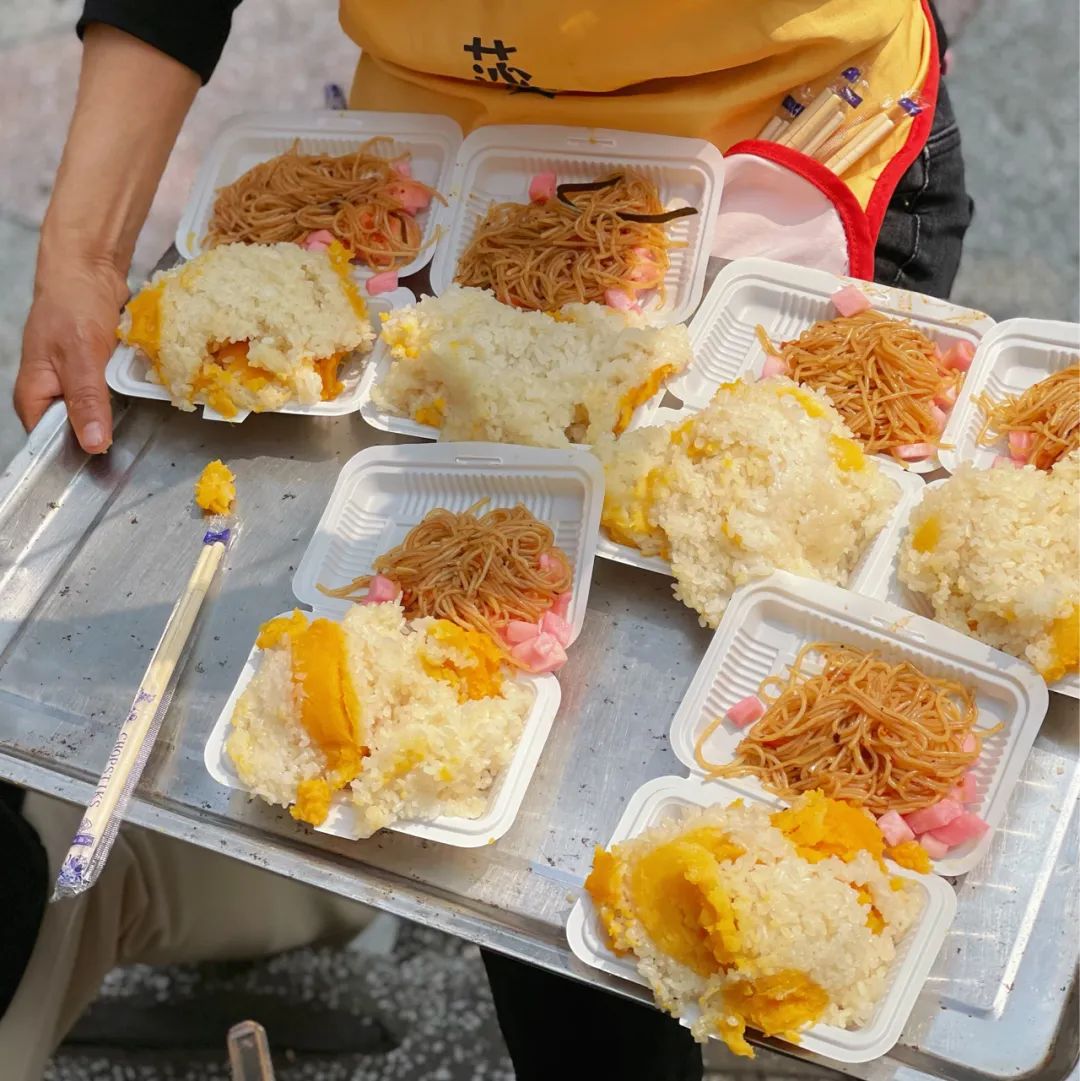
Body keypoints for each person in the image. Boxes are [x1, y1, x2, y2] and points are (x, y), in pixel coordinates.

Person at [8, 4, 971, 1080]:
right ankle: (279, 896)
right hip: (467, 165)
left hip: (782, 148)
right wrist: (83, 255)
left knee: (671, 787)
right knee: (475, 719)